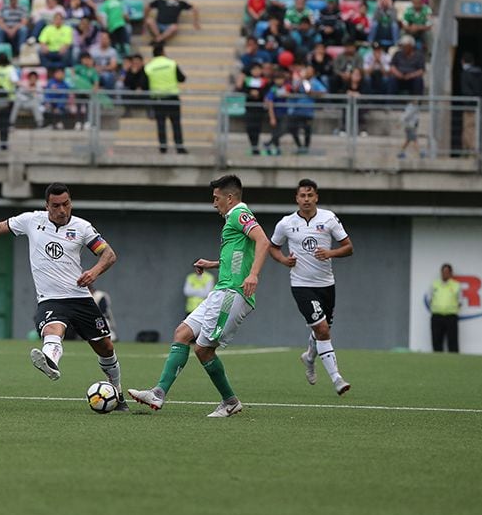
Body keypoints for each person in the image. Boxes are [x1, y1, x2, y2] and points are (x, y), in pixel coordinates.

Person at [0, 183, 129, 411]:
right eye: (56, 205)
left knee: (105, 348)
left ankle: (117, 393)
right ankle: (50, 360)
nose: (62, 210)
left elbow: (109, 254)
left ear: (71, 203)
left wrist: (94, 272)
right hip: (50, 299)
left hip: (80, 298)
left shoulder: (83, 228)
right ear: (46, 205)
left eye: (66, 204)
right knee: (52, 329)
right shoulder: (31, 220)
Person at [128, 175, 269, 417]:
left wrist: (254, 275)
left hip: (232, 293)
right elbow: (238, 256)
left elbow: (263, 241)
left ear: (230, 197)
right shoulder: (233, 219)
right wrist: (213, 264)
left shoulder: (239, 214)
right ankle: (158, 393)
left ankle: (230, 402)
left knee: (203, 349)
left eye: (216, 198)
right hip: (221, 290)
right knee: (182, 333)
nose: (214, 203)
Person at [268, 178, 354, 396]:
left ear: (316, 197)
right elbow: (273, 247)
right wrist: (283, 260)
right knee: (322, 330)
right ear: (297, 198)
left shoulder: (329, 218)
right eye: (302, 196)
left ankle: (309, 358)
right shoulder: (286, 223)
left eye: (310, 195)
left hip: (327, 284)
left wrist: (330, 253)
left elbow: (348, 247)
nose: (306, 199)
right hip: (301, 285)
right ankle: (337, 378)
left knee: (322, 329)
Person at [143, 43, 187, 154]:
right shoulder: (171, 64)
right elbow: (182, 78)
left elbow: (144, 84)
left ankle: (163, 147)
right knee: (176, 123)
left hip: (158, 99)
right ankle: (179, 147)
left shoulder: (149, 67)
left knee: (161, 124)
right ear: (163, 52)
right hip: (172, 98)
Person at [430, 263, 461, 353]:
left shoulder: (456, 285)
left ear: (451, 273)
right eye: (443, 272)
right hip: (437, 316)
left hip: (451, 316)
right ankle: (437, 362)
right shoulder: (434, 284)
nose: (445, 274)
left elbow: (460, 302)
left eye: (447, 272)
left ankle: (454, 363)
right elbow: (429, 299)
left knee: (453, 341)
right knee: (436, 341)